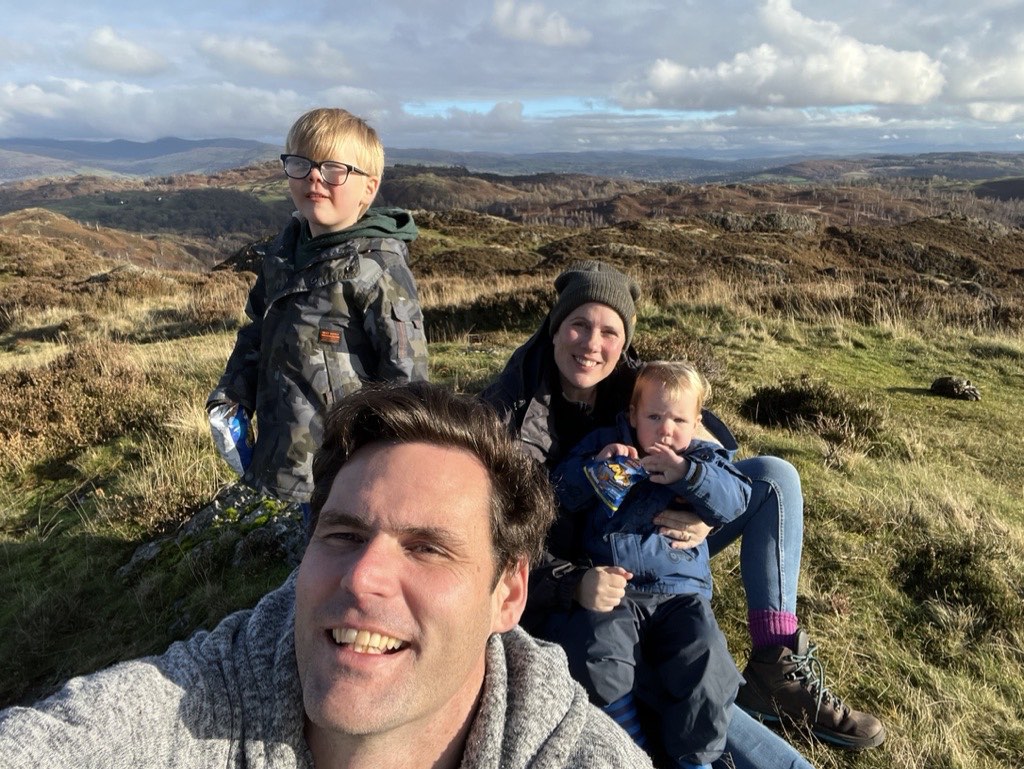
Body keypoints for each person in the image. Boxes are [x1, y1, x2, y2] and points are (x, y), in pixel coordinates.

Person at [0, 382, 655, 769]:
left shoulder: (586, 758)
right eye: (342, 534)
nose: (364, 575)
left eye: (427, 547)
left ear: (508, 593)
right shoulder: (187, 708)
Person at [481, 261, 885, 764]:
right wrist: (575, 582)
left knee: (775, 478)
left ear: (624, 340)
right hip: (578, 574)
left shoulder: (634, 382)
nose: (591, 343)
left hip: (657, 547)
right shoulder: (504, 413)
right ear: (555, 326)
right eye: (579, 325)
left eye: (609, 331)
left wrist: (703, 510)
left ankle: (775, 663)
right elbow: (499, 547)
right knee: (663, 680)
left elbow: (717, 449)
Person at [207, 107, 428, 510]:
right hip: (288, 456)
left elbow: (407, 383)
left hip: (345, 468)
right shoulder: (281, 254)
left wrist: (394, 469)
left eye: (334, 169)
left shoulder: (378, 271)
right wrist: (232, 398)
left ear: (369, 188)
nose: (314, 177)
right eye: (302, 163)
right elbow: (258, 332)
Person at [549, 361, 751, 769]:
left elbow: (736, 499)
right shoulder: (605, 445)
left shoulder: (702, 458)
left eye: (679, 419)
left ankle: (695, 760)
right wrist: (597, 472)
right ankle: (630, 740)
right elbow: (557, 492)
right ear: (632, 417)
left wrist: (688, 475)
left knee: (708, 662)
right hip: (616, 585)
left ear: (696, 423)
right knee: (595, 648)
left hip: (681, 593)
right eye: (654, 417)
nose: (665, 429)